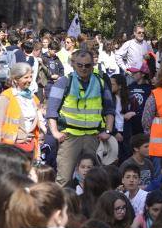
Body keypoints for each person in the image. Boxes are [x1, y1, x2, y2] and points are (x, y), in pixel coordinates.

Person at [46, 49, 115, 186]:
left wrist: (108, 131)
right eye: (80, 65)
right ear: (73, 64)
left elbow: (109, 110)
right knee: (64, 179)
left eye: (87, 65)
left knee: (95, 180)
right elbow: (51, 110)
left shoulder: (100, 83)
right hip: (70, 137)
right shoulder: (63, 82)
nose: (84, 68)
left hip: (93, 137)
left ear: (93, 65)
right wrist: (55, 133)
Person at [0, 62, 40, 156]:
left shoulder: (32, 97)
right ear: (16, 79)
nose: (29, 80)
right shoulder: (5, 97)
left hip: (30, 146)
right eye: (26, 77)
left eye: (30, 77)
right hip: (10, 149)